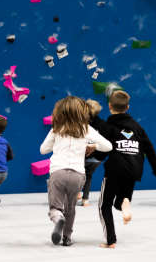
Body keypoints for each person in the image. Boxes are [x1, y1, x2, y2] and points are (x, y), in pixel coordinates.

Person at [90, 90, 156, 248]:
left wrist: (93, 156)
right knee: (120, 202)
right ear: (128, 107)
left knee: (105, 205)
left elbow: (103, 149)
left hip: (115, 169)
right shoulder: (137, 128)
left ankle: (111, 241)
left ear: (110, 106)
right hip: (134, 170)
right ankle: (125, 202)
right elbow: (149, 149)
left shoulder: (108, 127)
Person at [40, 96, 112, 246]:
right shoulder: (86, 129)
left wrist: (58, 144)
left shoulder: (57, 129)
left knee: (56, 207)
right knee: (71, 207)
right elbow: (108, 146)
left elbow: (43, 150)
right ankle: (67, 237)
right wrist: (92, 146)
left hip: (58, 171)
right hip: (78, 174)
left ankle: (58, 218)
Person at [79, 99, 105, 207]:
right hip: (96, 158)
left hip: (83, 156)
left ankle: (77, 193)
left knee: (78, 174)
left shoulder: (81, 124)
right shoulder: (102, 124)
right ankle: (85, 200)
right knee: (88, 176)